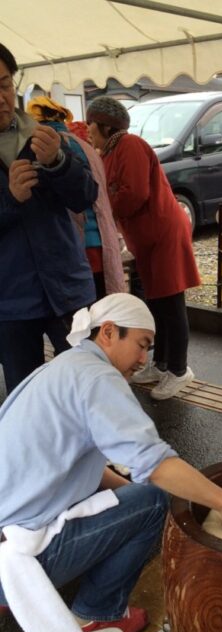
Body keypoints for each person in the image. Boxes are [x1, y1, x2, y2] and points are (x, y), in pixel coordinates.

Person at [0, 293, 222, 632]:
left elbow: (75, 464)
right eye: (141, 344)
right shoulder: (97, 379)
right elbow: (155, 463)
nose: (143, 358)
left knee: (142, 497)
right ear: (107, 332)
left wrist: (131, 496)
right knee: (154, 503)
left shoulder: (63, 367)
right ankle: (97, 615)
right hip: (11, 562)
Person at [86, 96, 201, 400]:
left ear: (105, 125)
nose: (88, 131)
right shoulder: (110, 152)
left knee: (171, 305)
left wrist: (104, 209)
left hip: (162, 233)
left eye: (90, 124)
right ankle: (162, 364)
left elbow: (134, 193)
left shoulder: (130, 144)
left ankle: (179, 370)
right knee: (158, 304)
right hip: (148, 238)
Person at [0, 43, 97, 394]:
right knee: (28, 399)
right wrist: (10, 201)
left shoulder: (44, 136)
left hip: (68, 288)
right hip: (10, 302)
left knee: (89, 388)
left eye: (4, 84)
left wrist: (59, 163)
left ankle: (91, 452)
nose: (0, 97)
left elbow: (86, 196)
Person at [26, 96, 126, 300]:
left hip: (79, 248)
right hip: (103, 242)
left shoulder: (50, 149)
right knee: (104, 312)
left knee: (85, 321)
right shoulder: (85, 145)